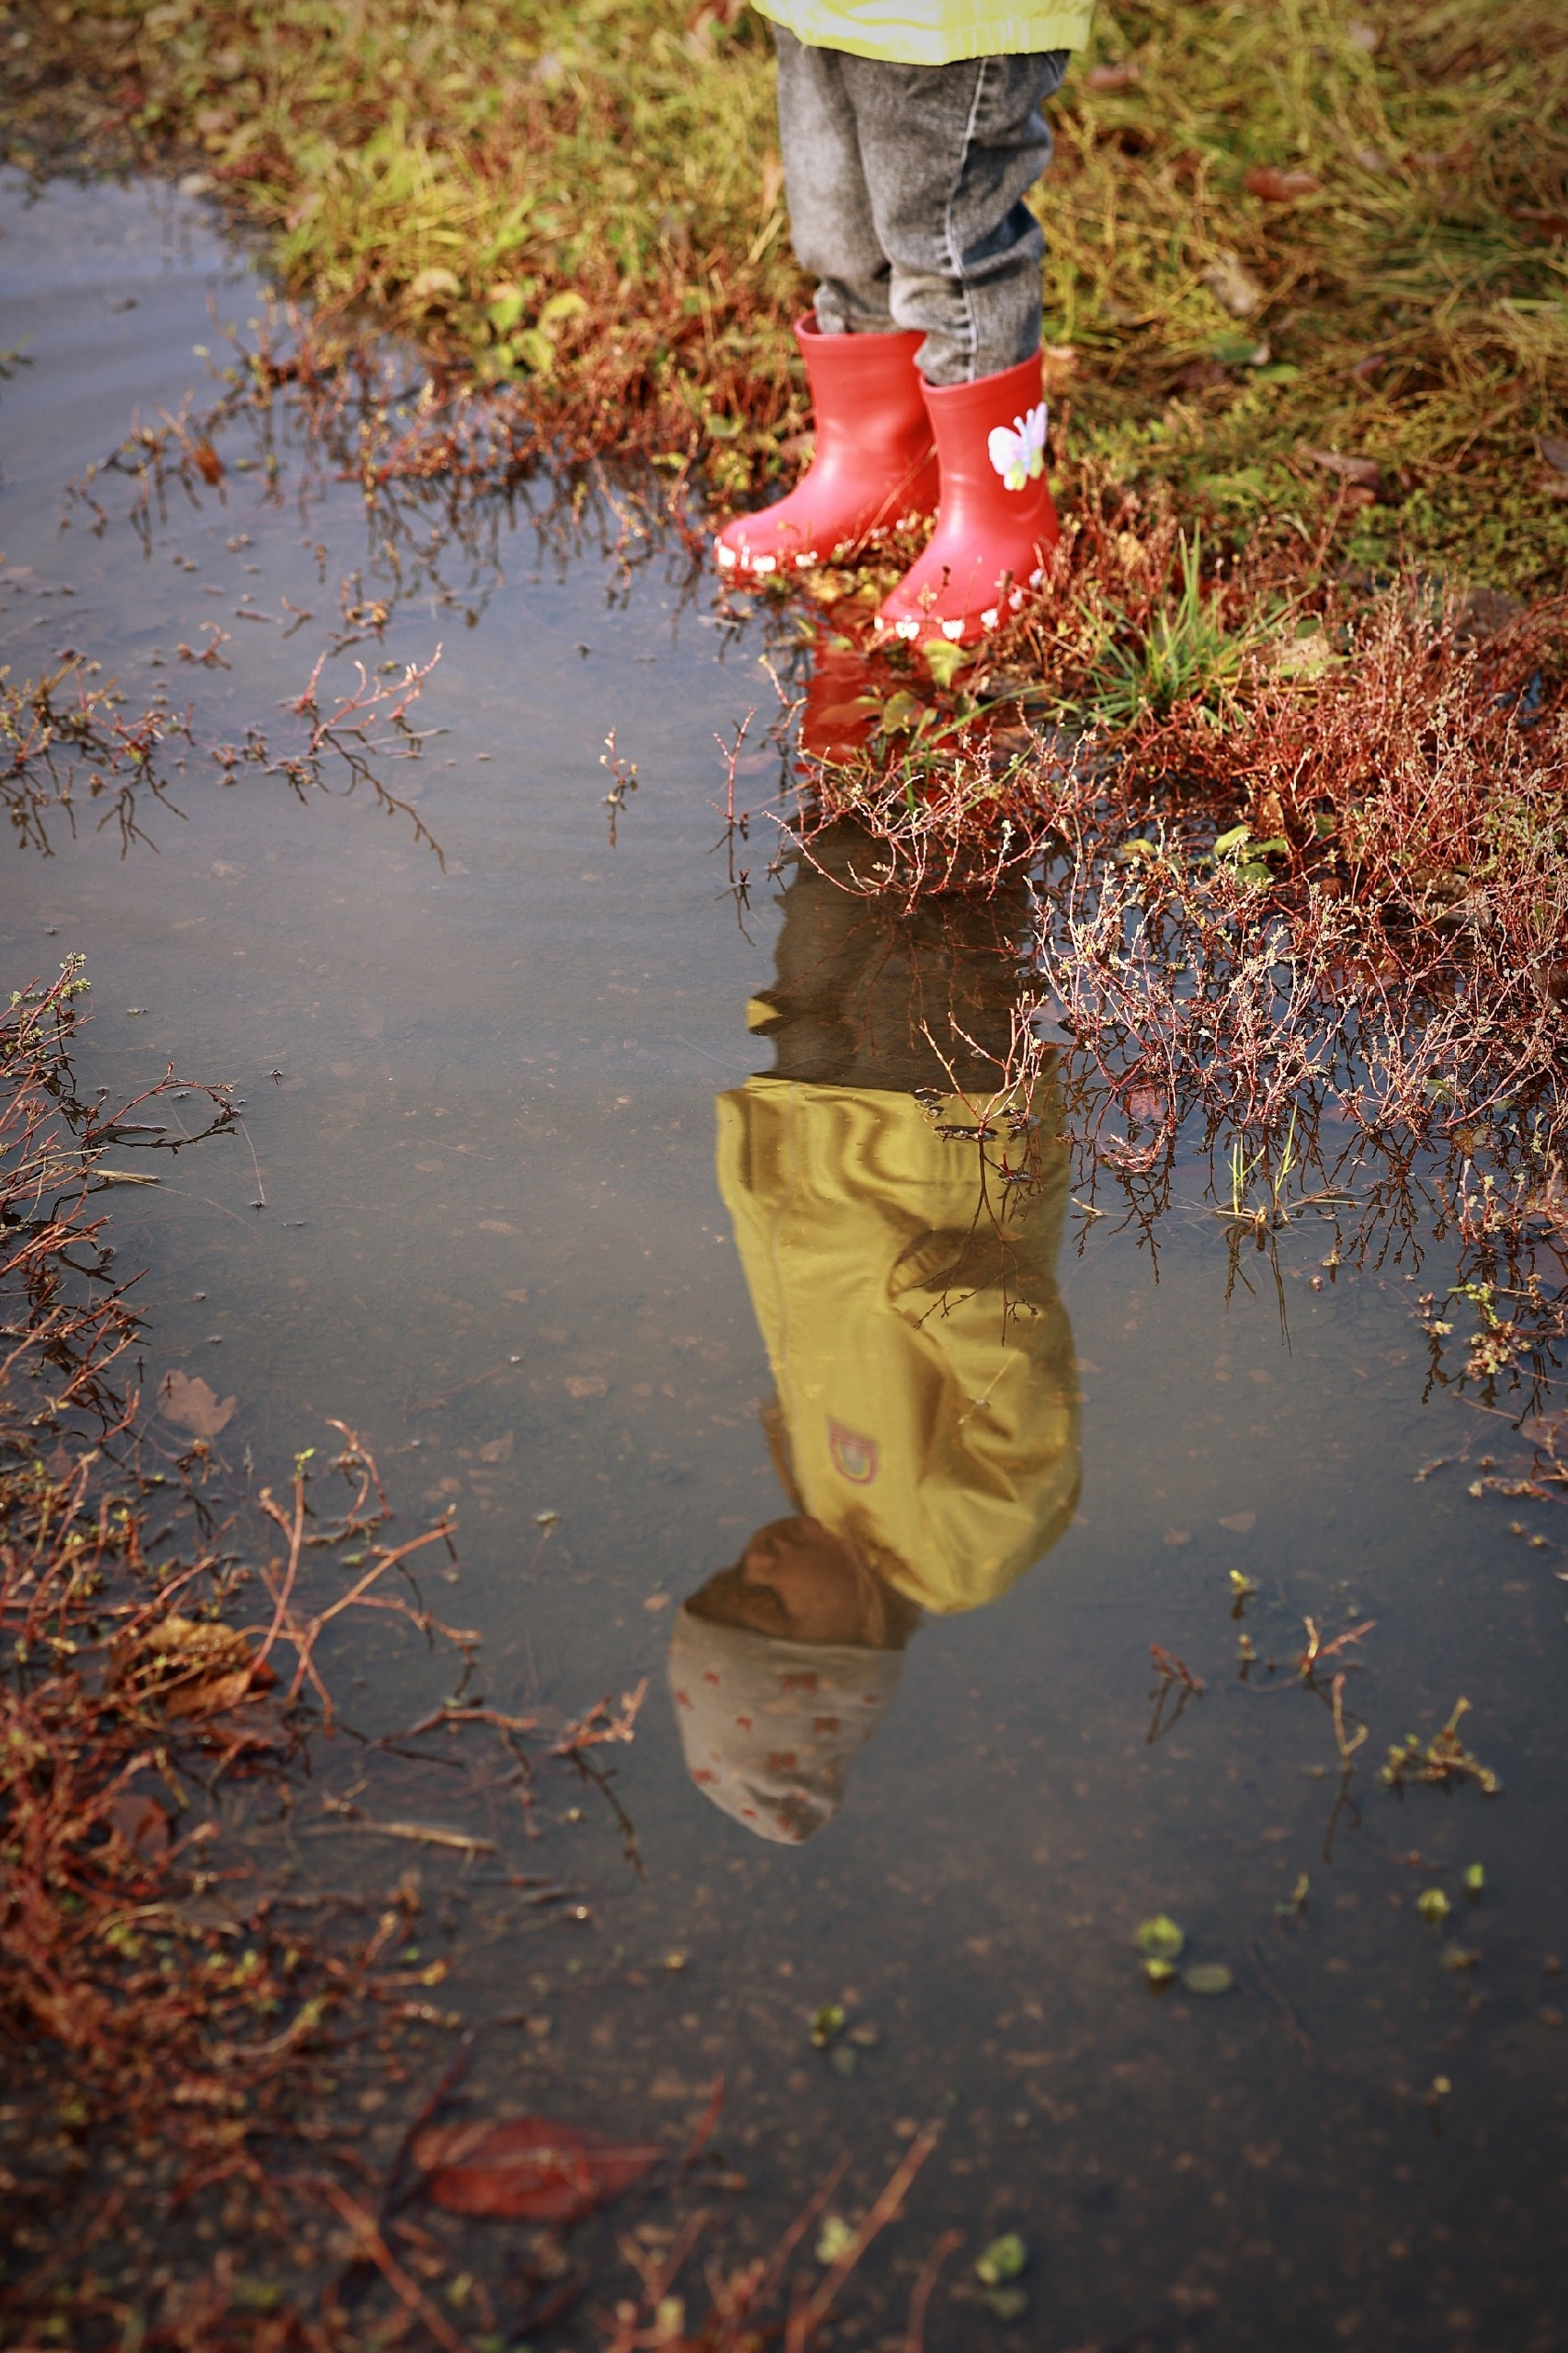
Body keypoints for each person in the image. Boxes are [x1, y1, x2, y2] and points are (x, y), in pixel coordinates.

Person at [667, 829, 1082, 1843]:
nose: (753, 1563)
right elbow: (1025, 1394)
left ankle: (868, 708)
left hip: (817, 1132)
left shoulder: (820, 1505)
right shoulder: (957, 1554)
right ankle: (970, 703)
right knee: (948, 895)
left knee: (832, 881)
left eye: (727, 1583)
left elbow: (798, 1326)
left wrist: (763, 1177)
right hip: (940, 1141)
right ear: (851, 1645)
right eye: (770, 1606)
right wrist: (935, 1290)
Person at [713, 0, 1095, 651]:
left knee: (946, 236)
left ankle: (1006, 513)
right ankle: (877, 466)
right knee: (837, 223)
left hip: (947, 21)